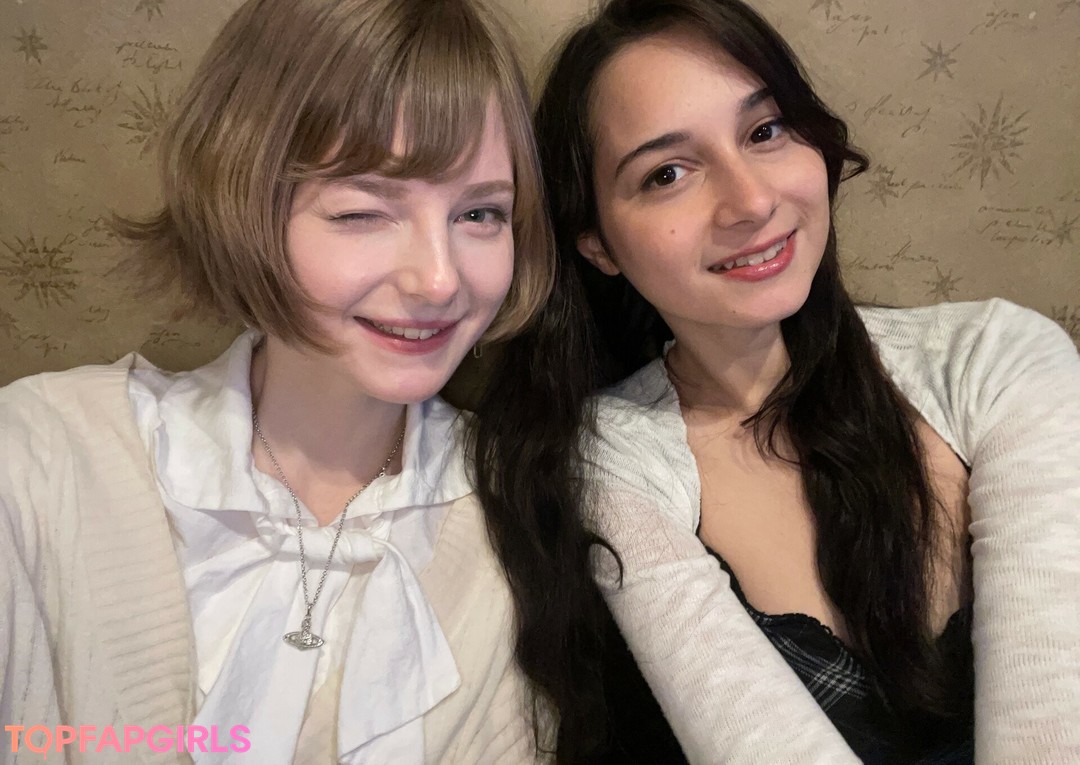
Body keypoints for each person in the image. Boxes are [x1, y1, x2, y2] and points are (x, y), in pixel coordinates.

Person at [471, 0, 1080, 761]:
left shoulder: (997, 359)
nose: (753, 201)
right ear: (597, 243)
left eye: (765, 131)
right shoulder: (613, 459)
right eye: (667, 174)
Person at [0, 0, 557, 762]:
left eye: (481, 214)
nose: (439, 278)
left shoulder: (526, 524)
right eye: (363, 212)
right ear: (247, 204)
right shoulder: (40, 458)